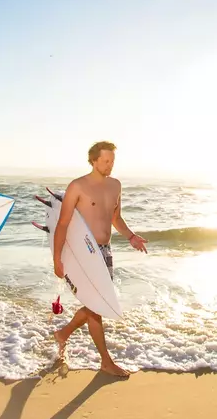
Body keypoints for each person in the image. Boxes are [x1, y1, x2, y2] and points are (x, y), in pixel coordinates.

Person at [52, 141, 147, 377]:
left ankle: (63, 334)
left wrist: (131, 236)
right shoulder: (78, 186)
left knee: (97, 303)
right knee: (98, 304)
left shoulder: (115, 186)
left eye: (112, 161)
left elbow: (116, 218)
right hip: (84, 253)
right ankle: (105, 361)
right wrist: (57, 259)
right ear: (93, 160)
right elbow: (62, 224)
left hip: (105, 251)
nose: (109, 165)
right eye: (105, 161)